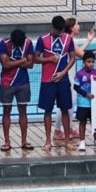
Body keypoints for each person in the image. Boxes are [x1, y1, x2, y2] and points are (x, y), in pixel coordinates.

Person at [54, 17, 96, 141]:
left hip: (69, 75)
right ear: (72, 27)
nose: (79, 25)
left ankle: (69, 127)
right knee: (66, 105)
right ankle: (57, 130)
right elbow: (83, 56)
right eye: (77, 24)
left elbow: (80, 52)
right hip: (67, 76)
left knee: (69, 104)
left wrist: (89, 41)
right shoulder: (68, 39)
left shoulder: (68, 39)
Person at [35, 16, 76, 151]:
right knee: (47, 111)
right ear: (52, 27)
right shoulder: (43, 39)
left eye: (61, 31)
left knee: (65, 109)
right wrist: (49, 59)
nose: (59, 34)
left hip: (63, 80)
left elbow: (72, 58)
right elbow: (35, 58)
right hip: (48, 80)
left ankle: (67, 140)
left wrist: (64, 72)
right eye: (57, 31)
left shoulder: (68, 39)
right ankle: (47, 140)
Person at [0, 29, 34, 152]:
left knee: (23, 110)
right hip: (7, 82)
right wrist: (21, 60)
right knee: (6, 110)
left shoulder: (28, 43)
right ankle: (7, 141)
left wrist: (12, 62)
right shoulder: (4, 43)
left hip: (23, 82)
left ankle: (24, 141)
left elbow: (30, 64)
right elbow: (5, 65)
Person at [73, 51, 96, 152]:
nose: (91, 64)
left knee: (95, 122)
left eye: (92, 62)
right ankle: (82, 141)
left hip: (94, 104)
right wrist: (86, 94)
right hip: (83, 103)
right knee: (82, 122)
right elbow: (76, 87)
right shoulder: (79, 74)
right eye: (88, 62)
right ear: (83, 62)